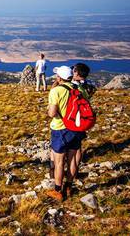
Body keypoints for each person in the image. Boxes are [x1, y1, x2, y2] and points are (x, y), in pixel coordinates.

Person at [46, 66, 80, 201]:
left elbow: (52, 113)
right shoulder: (78, 88)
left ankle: (58, 190)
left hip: (60, 129)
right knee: (72, 159)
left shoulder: (56, 92)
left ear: (59, 77)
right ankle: (69, 187)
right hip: (76, 129)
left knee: (59, 162)